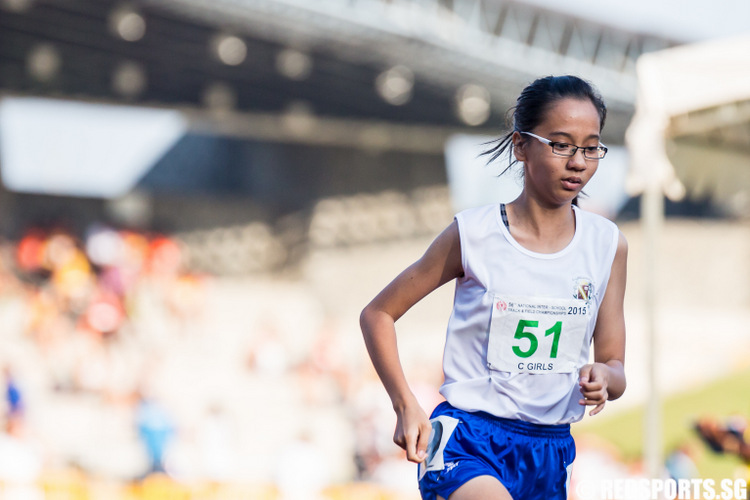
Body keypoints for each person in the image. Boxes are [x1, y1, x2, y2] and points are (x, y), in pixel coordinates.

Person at [360, 75, 627, 500]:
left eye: (591, 147)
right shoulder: (473, 233)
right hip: (469, 440)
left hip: (550, 452)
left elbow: (615, 366)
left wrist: (605, 377)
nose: (578, 161)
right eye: (561, 144)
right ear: (521, 145)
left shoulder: (608, 244)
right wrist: (404, 402)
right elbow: (378, 313)